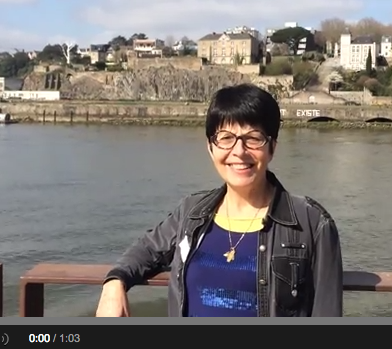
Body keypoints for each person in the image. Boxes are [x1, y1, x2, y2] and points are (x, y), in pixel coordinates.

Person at [95, 83, 343, 317]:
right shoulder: (192, 213)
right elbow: (147, 250)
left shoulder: (310, 223)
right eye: (225, 138)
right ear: (210, 147)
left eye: (253, 138)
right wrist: (115, 282)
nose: (239, 151)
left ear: (272, 147)